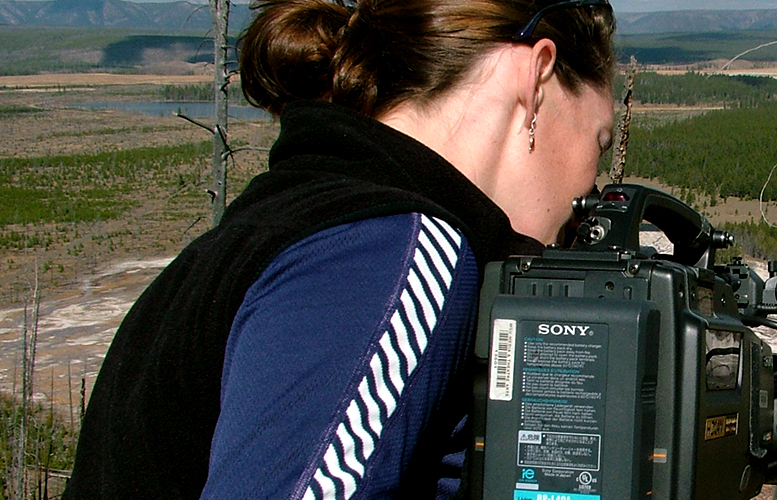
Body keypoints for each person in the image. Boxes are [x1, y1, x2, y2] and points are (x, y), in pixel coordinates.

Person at [63, 0, 615, 497]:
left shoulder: (291, 219)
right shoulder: (393, 250)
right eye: (599, 140)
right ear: (537, 76)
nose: (592, 187)